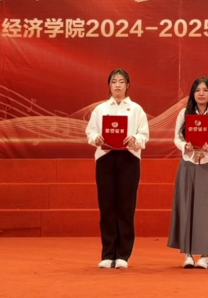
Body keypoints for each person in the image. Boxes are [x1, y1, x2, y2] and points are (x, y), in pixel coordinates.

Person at [85, 68, 150, 269]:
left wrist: (135, 139)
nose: (118, 85)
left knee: (125, 206)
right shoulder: (100, 109)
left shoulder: (136, 109)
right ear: (109, 85)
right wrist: (96, 138)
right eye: (114, 81)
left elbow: (144, 135)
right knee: (107, 205)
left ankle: (123, 254)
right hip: (105, 158)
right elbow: (90, 132)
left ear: (127, 85)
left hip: (129, 159)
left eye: (121, 81)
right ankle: (108, 253)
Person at [168, 77, 208, 269]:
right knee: (186, 206)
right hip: (188, 164)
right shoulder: (184, 113)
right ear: (192, 94)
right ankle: (187, 254)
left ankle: (205, 255)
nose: (201, 94)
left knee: (207, 210)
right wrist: (184, 146)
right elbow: (177, 138)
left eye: (205, 90)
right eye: (197, 90)